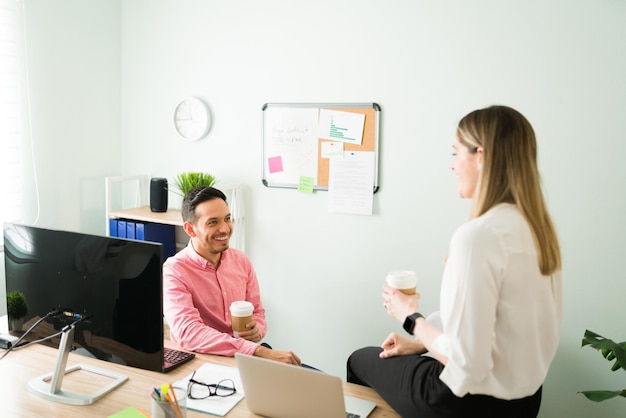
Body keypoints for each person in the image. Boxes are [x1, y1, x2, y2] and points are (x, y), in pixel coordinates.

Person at [346, 105, 563, 417]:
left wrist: (410, 318)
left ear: (481, 156)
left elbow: (467, 364)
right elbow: (490, 321)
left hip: (462, 402)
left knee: (359, 359)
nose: (452, 166)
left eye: (455, 153)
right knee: (410, 358)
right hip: (526, 401)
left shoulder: (477, 236)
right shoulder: (538, 228)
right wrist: (419, 343)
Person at [163, 185, 302, 366]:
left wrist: (257, 329)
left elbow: (257, 312)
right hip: (200, 361)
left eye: (227, 219)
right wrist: (257, 350)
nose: (225, 229)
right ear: (190, 229)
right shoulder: (174, 270)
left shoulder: (241, 260)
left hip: (242, 358)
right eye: (213, 222)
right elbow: (188, 333)